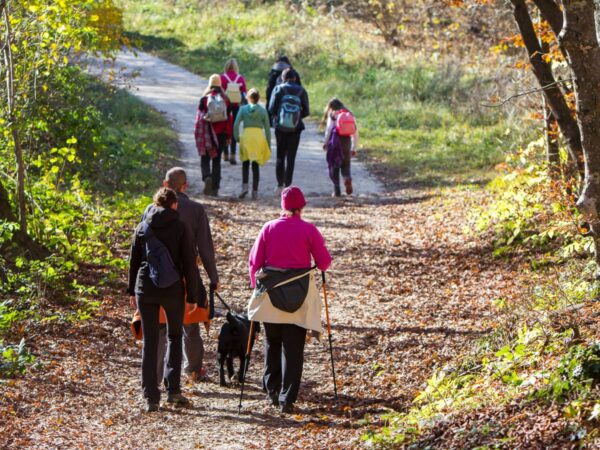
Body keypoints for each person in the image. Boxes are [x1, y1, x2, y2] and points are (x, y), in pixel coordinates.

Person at [247, 186, 332, 414]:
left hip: (271, 296)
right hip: (299, 296)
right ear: (302, 206)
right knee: (293, 348)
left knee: (272, 342)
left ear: (282, 206)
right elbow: (323, 263)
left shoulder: (268, 228)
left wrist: (256, 288)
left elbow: (254, 263)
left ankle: (272, 390)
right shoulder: (309, 230)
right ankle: (287, 399)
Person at [127, 187, 199, 412]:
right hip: (172, 289)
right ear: (174, 205)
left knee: (150, 342)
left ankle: (151, 397)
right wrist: (193, 296)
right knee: (175, 336)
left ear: (156, 204)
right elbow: (189, 263)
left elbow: (134, 260)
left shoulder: (143, 226)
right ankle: (173, 391)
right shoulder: (180, 227)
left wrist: (131, 291)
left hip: (145, 288)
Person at [154, 168, 220, 383]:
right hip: (186, 275)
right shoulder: (195, 209)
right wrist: (213, 277)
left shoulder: (151, 209)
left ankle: (159, 374)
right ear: (185, 186)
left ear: (165, 184)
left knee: (162, 326)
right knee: (189, 323)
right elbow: (205, 247)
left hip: (159, 276)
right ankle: (192, 369)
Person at [268, 69, 309, 193]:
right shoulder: (301, 91)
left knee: (280, 156)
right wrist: (295, 119)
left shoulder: (278, 89)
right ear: (295, 78)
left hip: (280, 128)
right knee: (291, 158)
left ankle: (279, 184)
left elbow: (271, 108)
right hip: (296, 129)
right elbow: (306, 111)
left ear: (282, 78)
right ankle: (288, 186)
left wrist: (281, 118)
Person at [194, 74, 233, 196]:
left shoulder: (204, 99)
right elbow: (229, 119)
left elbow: (199, 119)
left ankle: (206, 177)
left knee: (205, 158)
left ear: (210, 84)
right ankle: (215, 188)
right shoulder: (226, 100)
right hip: (221, 135)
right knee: (217, 161)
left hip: (208, 134)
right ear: (220, 85)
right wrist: (228, 136)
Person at [233, 88, 271, 200]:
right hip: (258, 138)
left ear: (248, 98)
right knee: (255, 165)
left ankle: (244, 187)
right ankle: (255, 191)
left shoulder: (243, 109)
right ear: (259, 98)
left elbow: (236, 125)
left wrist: (237, 138)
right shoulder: (263, 111)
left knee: (245, 163)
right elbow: (268, 129)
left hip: (246, 137)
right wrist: (268, 144)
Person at [322, 98, 359, 196]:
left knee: (334, 167)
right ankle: (347, 178)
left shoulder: (333, 115)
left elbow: (329, 130)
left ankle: (337, 190)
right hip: (346, 142)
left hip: (335, 142)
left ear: (331, 107)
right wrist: (354, 148)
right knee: (346, 165)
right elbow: (355, 133)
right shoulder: (349, 114)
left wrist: (325, 142)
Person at [220, 58, 247, 165]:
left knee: (224, 127)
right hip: (236, 105)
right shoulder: (240, 78)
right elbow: (244, 92)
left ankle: (225, 153)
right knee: (234, 128)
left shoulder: (222, 77)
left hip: (225, 105)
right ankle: (233, 154)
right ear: (236, 67)